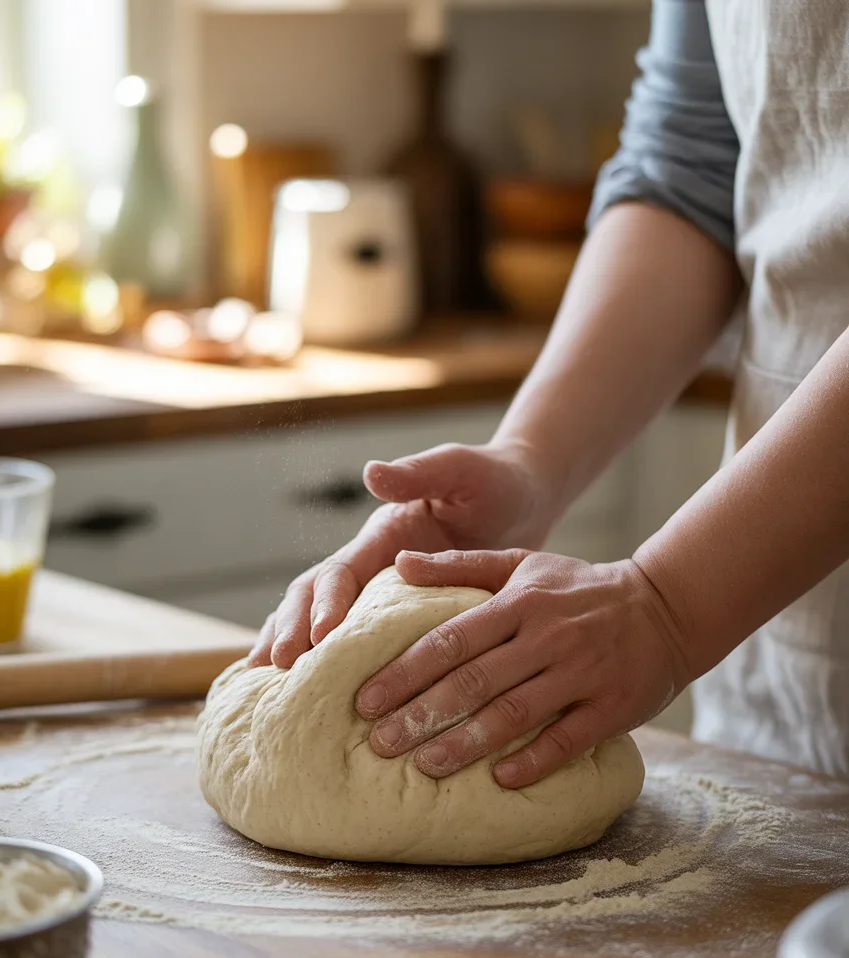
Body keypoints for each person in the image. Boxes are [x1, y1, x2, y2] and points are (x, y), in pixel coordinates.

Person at [250, 0, 849, 787]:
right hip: (784, 668)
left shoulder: (677, 606)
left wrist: (670, 607)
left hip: (719, 590)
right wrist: (530, 465)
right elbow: (692, 165)